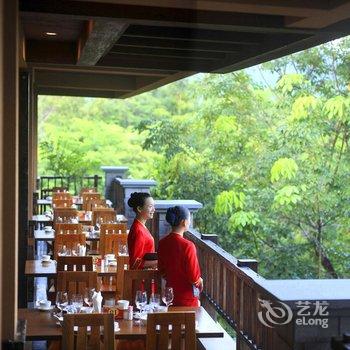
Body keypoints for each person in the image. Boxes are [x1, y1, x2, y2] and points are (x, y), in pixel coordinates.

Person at [158, 206, 203, 306]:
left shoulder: (162, 243)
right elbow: (194, 278)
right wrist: (200, 281)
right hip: (187, 299)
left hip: (169, 296)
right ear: (184, 222)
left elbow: (161, 270)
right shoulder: (188, 246)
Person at [127, 192, 157, 269]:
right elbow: (135, 262)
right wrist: (159, 261)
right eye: (150, 207)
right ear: (139, 209)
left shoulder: (140, 226)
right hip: (141, 278)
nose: (154, 209)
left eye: (153, 206)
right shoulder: (138, 230)